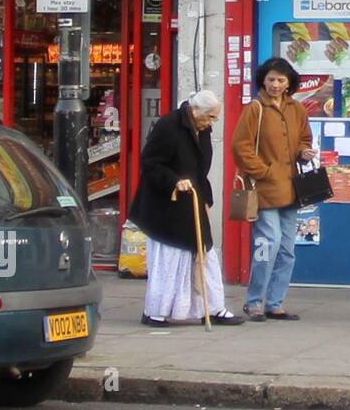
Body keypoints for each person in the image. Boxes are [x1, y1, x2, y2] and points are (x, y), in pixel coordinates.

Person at [131, 90, 244, 326]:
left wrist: (207, 197)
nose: (212, 122)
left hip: (192, 197)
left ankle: (213, 307)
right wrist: (174, 180)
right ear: (195, 111)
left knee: (205, 253)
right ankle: (156, 310)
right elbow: (151, 164)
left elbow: (200, 168)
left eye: (215, 118)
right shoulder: (168, 126)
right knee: (171, 258)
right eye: (210, 117)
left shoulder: (201, 127)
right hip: (167, 204)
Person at [232, 57, 315, 322]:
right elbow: (241, 147)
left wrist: (304, 151)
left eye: (281, 80)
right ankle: (254, 302)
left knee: (288, 249)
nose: (276, 84)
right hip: (265, 190)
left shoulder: (297, 109)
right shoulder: (254, 109)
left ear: (289, 82)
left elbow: (304, 138)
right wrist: (264, 171)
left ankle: (275, 303)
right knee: (268, 244)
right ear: (262, 81)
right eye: (271, 79)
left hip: (292, 190)